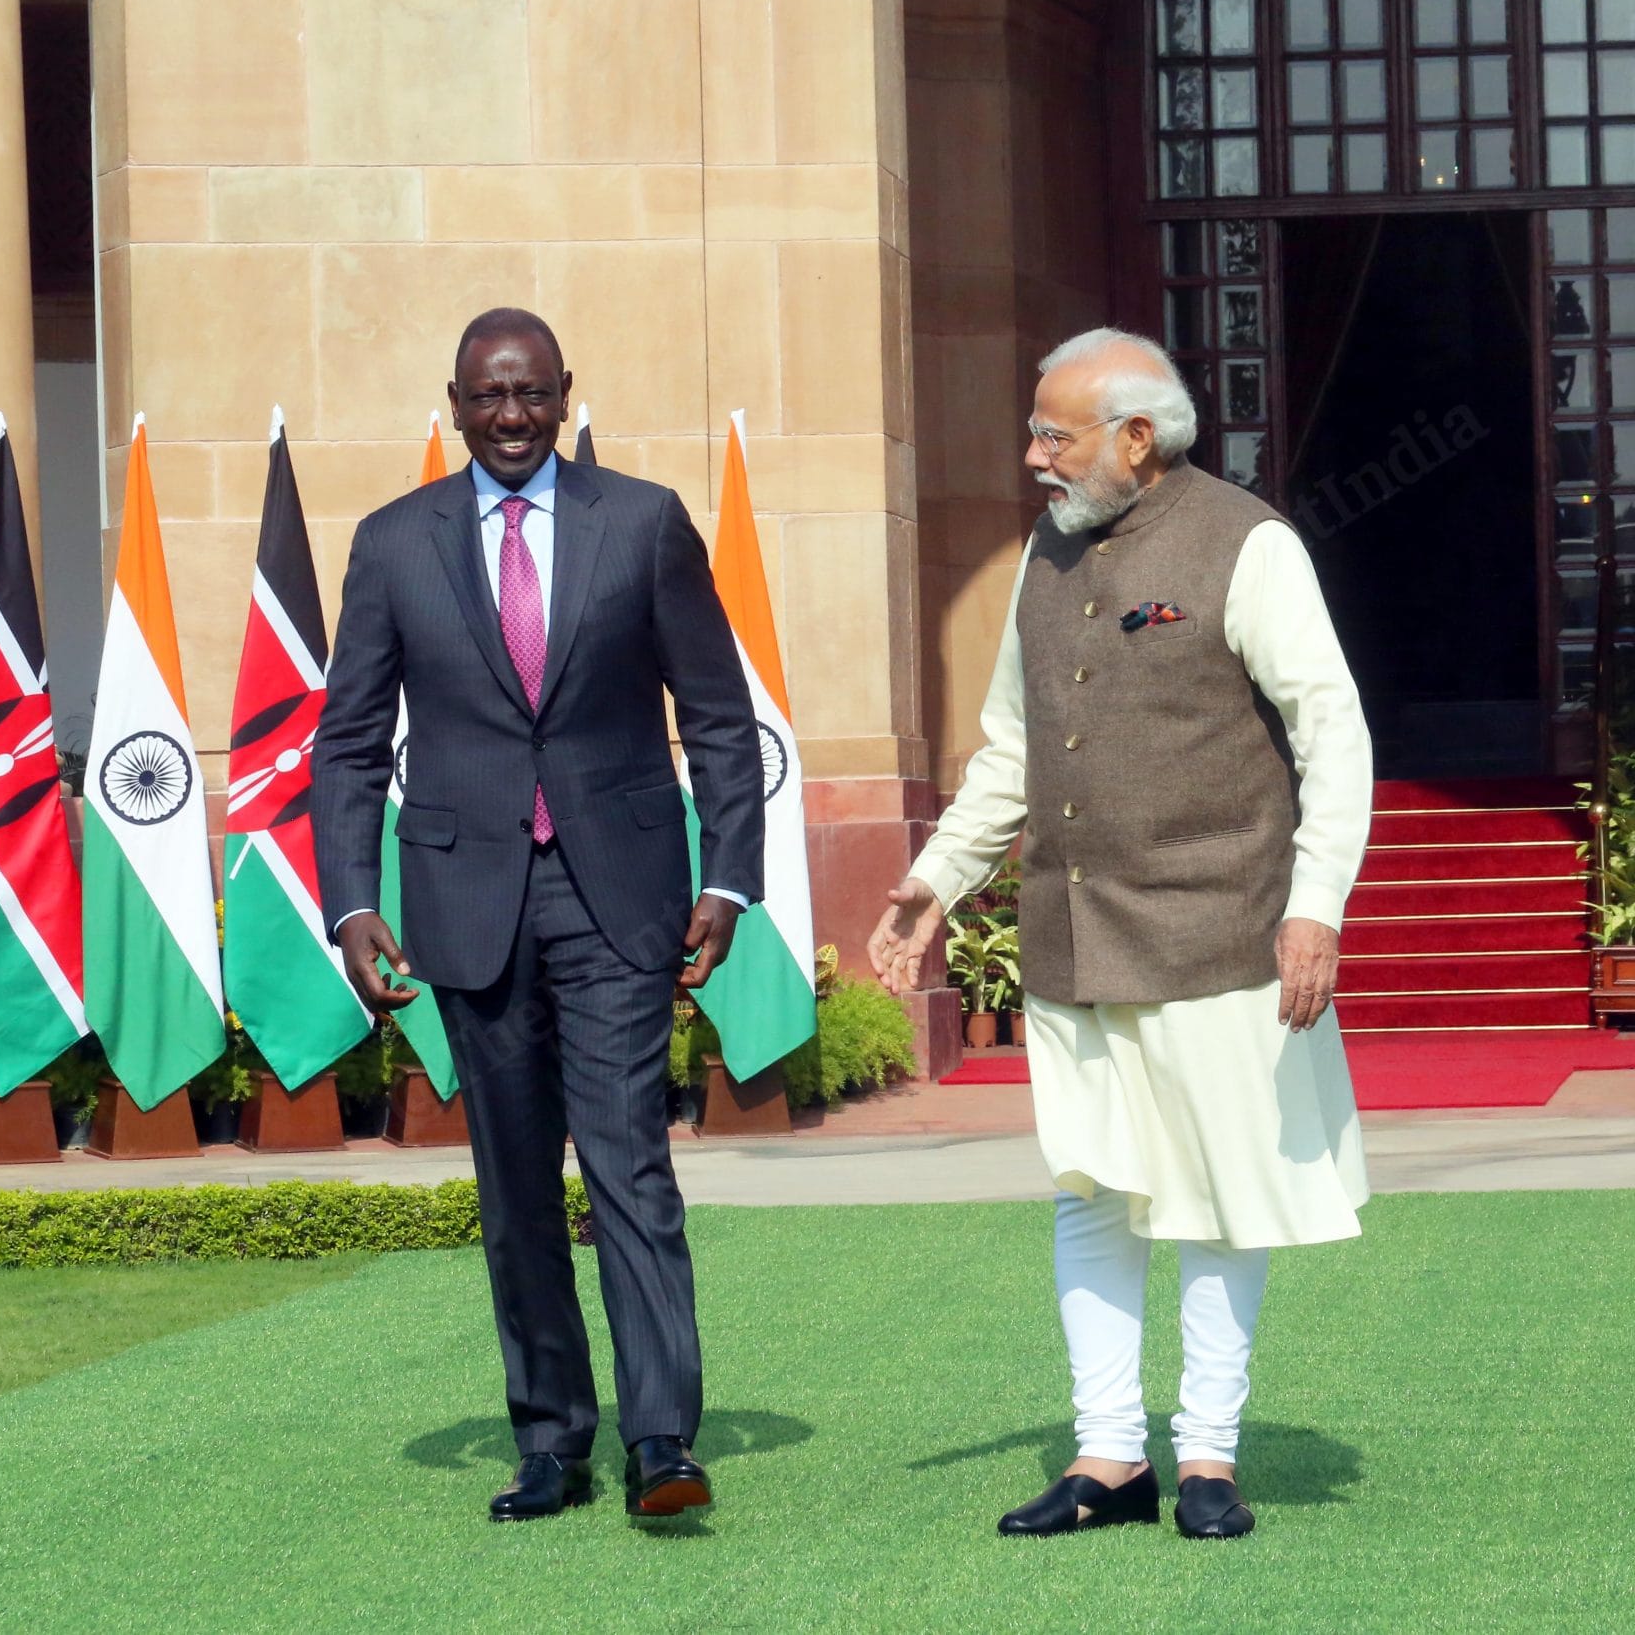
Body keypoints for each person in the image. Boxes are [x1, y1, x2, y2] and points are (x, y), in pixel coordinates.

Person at [870, 327, 1372, 1541]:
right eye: (1035, 430)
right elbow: (1012, 747)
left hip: (1220, 936)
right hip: (1074, 938)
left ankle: (1205, 1458)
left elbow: (1333, 731)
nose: (1033, 454)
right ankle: (1109, 1458)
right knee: (1092, 1197)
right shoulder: (1044, 555)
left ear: (1136, 439)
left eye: (1056, 432)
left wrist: (1315, 906)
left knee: (1211, 1201)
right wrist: (935, 881)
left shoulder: (1247, 543)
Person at [313, 308, 765, 1522]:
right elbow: (349, 740)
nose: (509, 415)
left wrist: (727, 878)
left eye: (528, 393)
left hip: (618, 898)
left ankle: (663, 1441)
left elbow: (717, 715)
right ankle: (553, 1441)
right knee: (514, 1190)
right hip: (467, 905)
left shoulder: (645, 523)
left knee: (629, 1165)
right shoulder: (394, 544)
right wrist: (351, 903)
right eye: (484, 396)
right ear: (452, 405)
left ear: (565, 393)